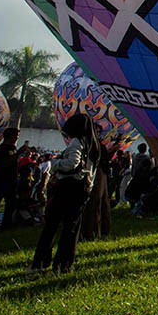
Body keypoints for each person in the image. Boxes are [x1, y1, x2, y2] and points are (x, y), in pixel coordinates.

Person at [30, 115, 100, 273]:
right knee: (71, 228)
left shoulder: (76, 142)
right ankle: (64, 264)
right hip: (83, 190)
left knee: (51, 225)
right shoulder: (93, 145)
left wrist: (53, 164)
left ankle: (40, 262)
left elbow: (71, 163)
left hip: (67, 187)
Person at [0, 127, 20, 230]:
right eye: (15, 135)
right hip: (1, 179)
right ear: (10, 136)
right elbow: (4, 164)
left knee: (11, 204)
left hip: (11, 179)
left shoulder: (13, 148)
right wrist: (18, 154)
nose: (17, 137)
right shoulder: (2, 149)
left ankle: (6, 224)